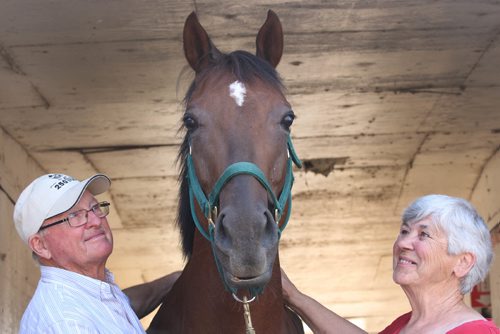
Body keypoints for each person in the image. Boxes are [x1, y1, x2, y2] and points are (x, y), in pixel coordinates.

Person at [282, 194, 499, 334]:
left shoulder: (476, 332)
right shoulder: (405, 326)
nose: (403, 242)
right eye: (405, 231)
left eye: (423, 235)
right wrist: (294, 296)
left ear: (462, 263)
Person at [13, 173, 180, 333]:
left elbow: (120, 306)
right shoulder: (67, 322)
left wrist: (177, 279)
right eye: (75, 216)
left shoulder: (87, 294)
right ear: (41, 245)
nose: (95, 220)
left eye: (94, 208)